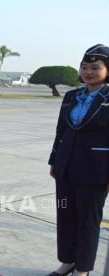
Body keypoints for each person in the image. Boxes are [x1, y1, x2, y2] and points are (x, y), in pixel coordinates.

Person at [47, 44, 109, 276]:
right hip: (66, 166)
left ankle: (82, 269)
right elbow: (61, 130)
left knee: (88, 222)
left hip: (95, 171)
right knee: (66, 216)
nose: (88, 72)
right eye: (84, 66)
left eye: (95, 67)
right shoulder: (72, 95)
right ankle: (68, 261)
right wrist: (54, 160)